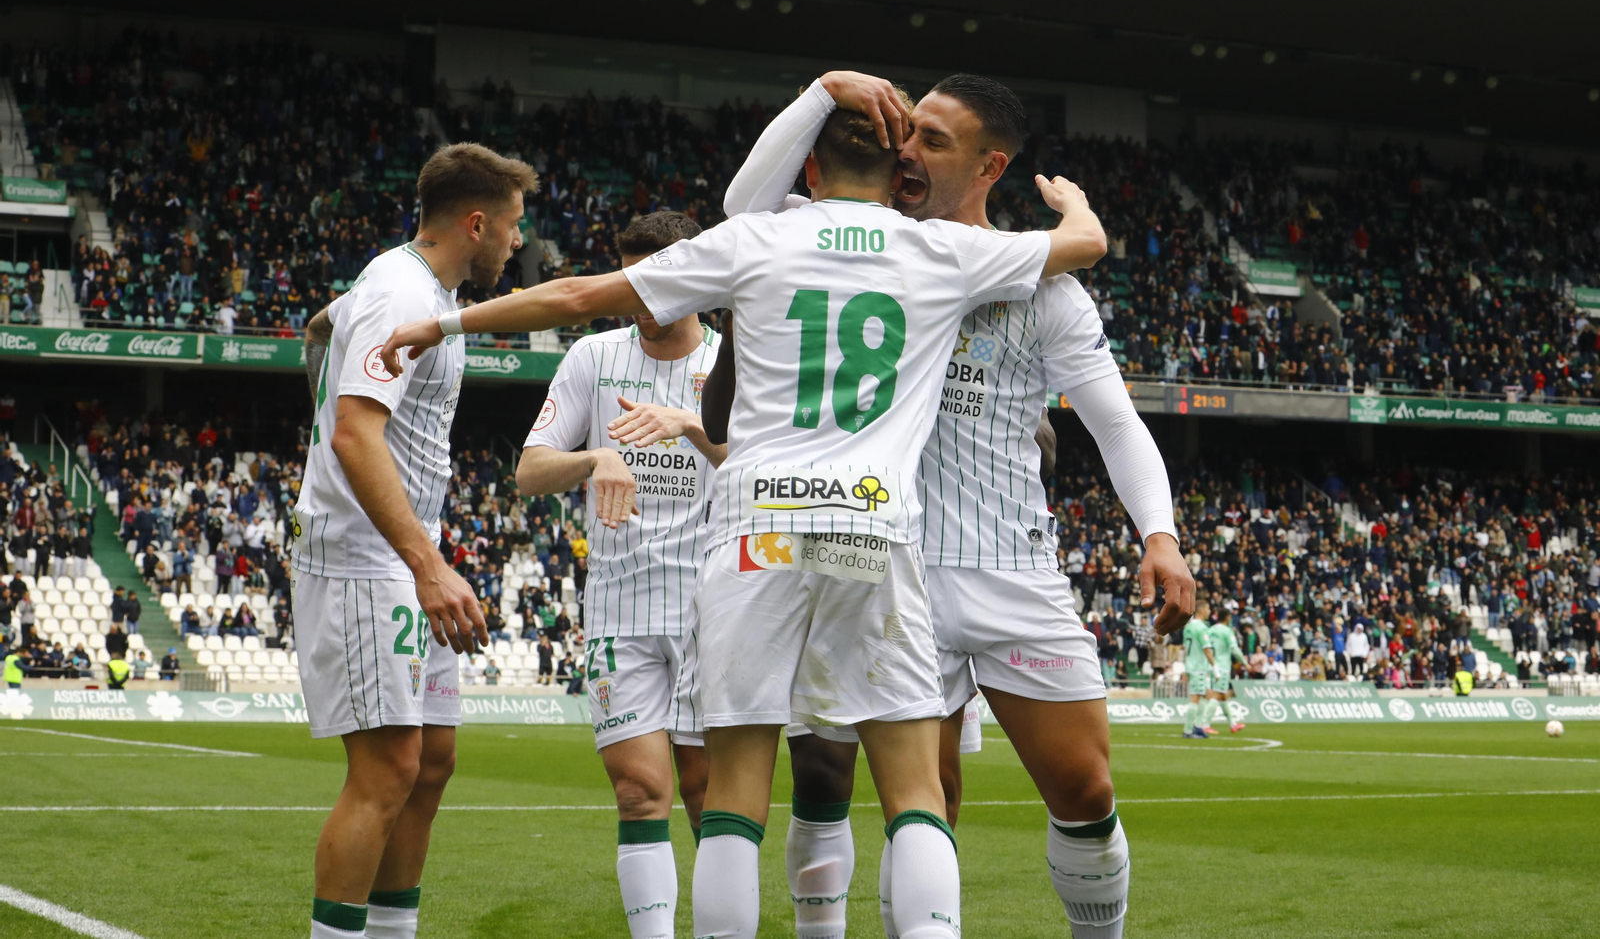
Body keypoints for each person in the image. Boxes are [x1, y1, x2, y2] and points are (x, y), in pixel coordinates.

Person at [381, 92, 1112, 939]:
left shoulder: (756, 237)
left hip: (755, 533)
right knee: (915, 794)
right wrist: (1076, 206)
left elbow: (581, 295)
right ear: (896, 173)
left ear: (808, 169)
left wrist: (445, 322)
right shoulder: (942, 249)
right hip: (872, 533)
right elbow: (1084, 247)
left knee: (733, 797)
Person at [719, 70, 1193, 938]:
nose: (906, 150)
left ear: (990, 165)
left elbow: (1117, 426)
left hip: (1013, 565)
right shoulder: (845, 244)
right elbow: (744, 205)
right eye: (907, 131)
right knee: (924, 799)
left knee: (1085, 788)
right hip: (894, 565)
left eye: (933, 140)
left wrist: (1159, 537)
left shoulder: (1043, 287)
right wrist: (823, 94)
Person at [292, 142, 533, 939]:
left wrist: (324, 344)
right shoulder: (400, 290)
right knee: (389, 768)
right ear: (475, 223)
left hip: (401, 556)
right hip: (369, 561)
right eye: (511, 226)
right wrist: (429, 568)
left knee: (431, 765)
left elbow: (322, 327)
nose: (518, 242)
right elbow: (355, 438)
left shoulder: (401, 284)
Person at [518, 211, 721, 939]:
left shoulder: (737, 360)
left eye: (656, 282)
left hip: (715, 608)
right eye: (630, 281)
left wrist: (692, 426)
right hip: (619, 606)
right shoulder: (593, 358)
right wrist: (594, 458)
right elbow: (529, 470)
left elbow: (768, 474)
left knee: (706, 792)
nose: (640, 301)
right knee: (640, 791)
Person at [1206, 607, 1246, 734]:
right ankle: (1205, 724)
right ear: (1228, 617)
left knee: (1223, 696)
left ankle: (1233, 724)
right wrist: (1245, 663)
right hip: (1222, 667)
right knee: (1217, 694)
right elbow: (1235, 650)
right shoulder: (1228, 631)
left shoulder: (1210, 630)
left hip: (1211, 665)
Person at [1182, 600, 1215, 739]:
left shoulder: (1188, 627)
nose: (1209, 612)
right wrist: (1215, 667)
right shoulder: (1202, 628)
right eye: (1208, 609)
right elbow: (1207, 650)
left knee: (1207, 695)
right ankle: (1188, 731)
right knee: (1195, 698)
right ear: (1201, 610)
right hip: (1198, 668)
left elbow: (1185, 648)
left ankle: (1197, 725)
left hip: (1191, 665)